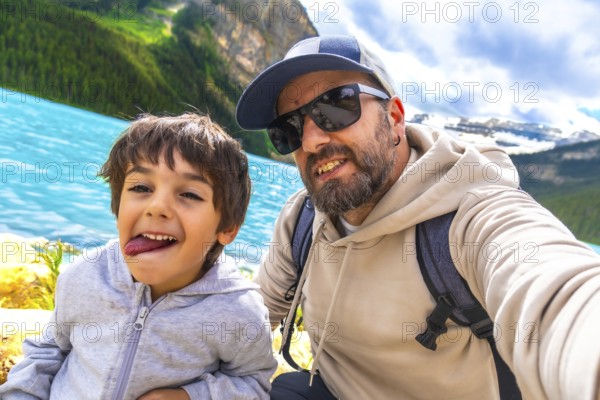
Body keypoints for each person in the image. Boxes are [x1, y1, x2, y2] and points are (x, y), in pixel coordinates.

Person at [235, 35, 600, 399]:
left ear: (394, 118)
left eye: (334, 106)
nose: (311, 140)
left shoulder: (470, 213)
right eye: (289, 130)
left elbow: (555, 291)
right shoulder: (301, 219)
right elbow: (247, 324)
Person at [0, 113, 277, 399]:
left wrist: (189, 396)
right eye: (141, 188)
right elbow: (48, 350)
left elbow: (252, 382)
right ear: (118, 205)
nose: (157, 207)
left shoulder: (238, 310)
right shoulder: (85, 274)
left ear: (227, 228)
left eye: (190, 194)